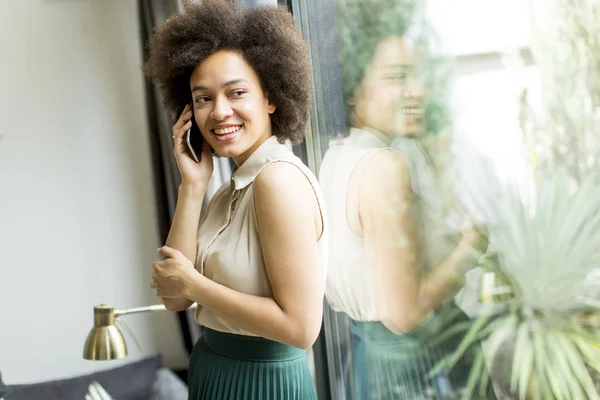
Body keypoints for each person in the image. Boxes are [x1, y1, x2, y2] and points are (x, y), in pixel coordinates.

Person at [143, 2, 327, 399]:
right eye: (203, 98)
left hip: (263, 382)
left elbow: (301, 328)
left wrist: (195, 284)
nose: (220, 111)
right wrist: (192, 185)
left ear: (271, 97)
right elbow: (174, 297)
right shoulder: (229, 188)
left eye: (237, 92)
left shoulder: (277, 181)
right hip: (214, 368)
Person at [319, 1, 489, 398]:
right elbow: (405, 314)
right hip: (420, 371)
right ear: (352, 88)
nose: (418, 91)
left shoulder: (335, 157)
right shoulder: (385, 167)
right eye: (398, 77)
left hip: (371, 365)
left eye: (418, 77)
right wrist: (469, 249)